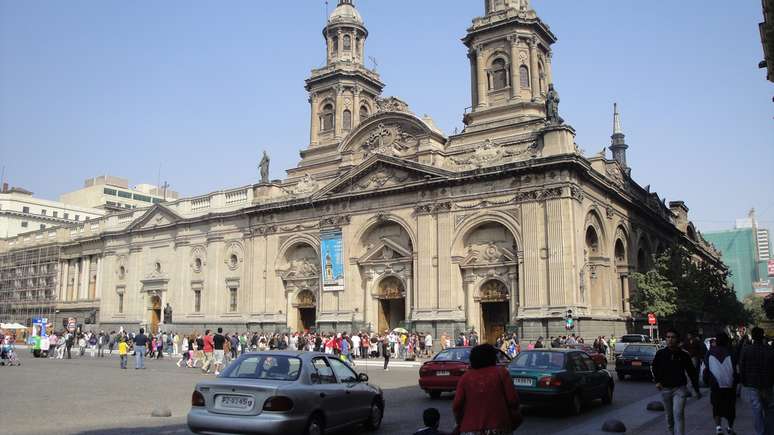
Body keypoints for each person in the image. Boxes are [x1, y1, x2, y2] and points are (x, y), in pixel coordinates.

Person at [452, 344, 522, 434]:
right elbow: (513, 400)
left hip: (470, 428)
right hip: (498, 426)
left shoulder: (466, 377)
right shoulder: (501, 373)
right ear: (492, 357)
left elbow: (457, 405)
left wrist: (460, 422)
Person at [652, 329, 702, 435]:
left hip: (680, 389)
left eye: (672, 337)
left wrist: (696, 389)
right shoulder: (661, 354)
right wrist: (657, 381)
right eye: (668, 337)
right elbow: (655, 368)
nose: (670, 340)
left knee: (678, 414)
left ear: (677, 339)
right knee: (669, 416)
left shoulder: (683, 355)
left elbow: (692, 372)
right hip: (665, 389)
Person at [738, 327, 774, 435]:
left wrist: (743, 380)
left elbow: (742, 366)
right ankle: (769, 431)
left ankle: (760, 432)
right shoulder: (770, 350)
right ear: (762, 336)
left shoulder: (746, 350)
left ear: (753, 337)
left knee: (756, 410)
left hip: (752, 384)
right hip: (767, 383)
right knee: (769, 410)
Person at [702, 333, 737, 435]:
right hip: (730, 386)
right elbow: (736, 369)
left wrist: (706, 381)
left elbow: (706, 368)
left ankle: (718, 428)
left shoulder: (710, 352)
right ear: (727, 341)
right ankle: (730, 428)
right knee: (730, 408)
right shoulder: (731, 352)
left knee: (716, 407)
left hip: (715, 385)